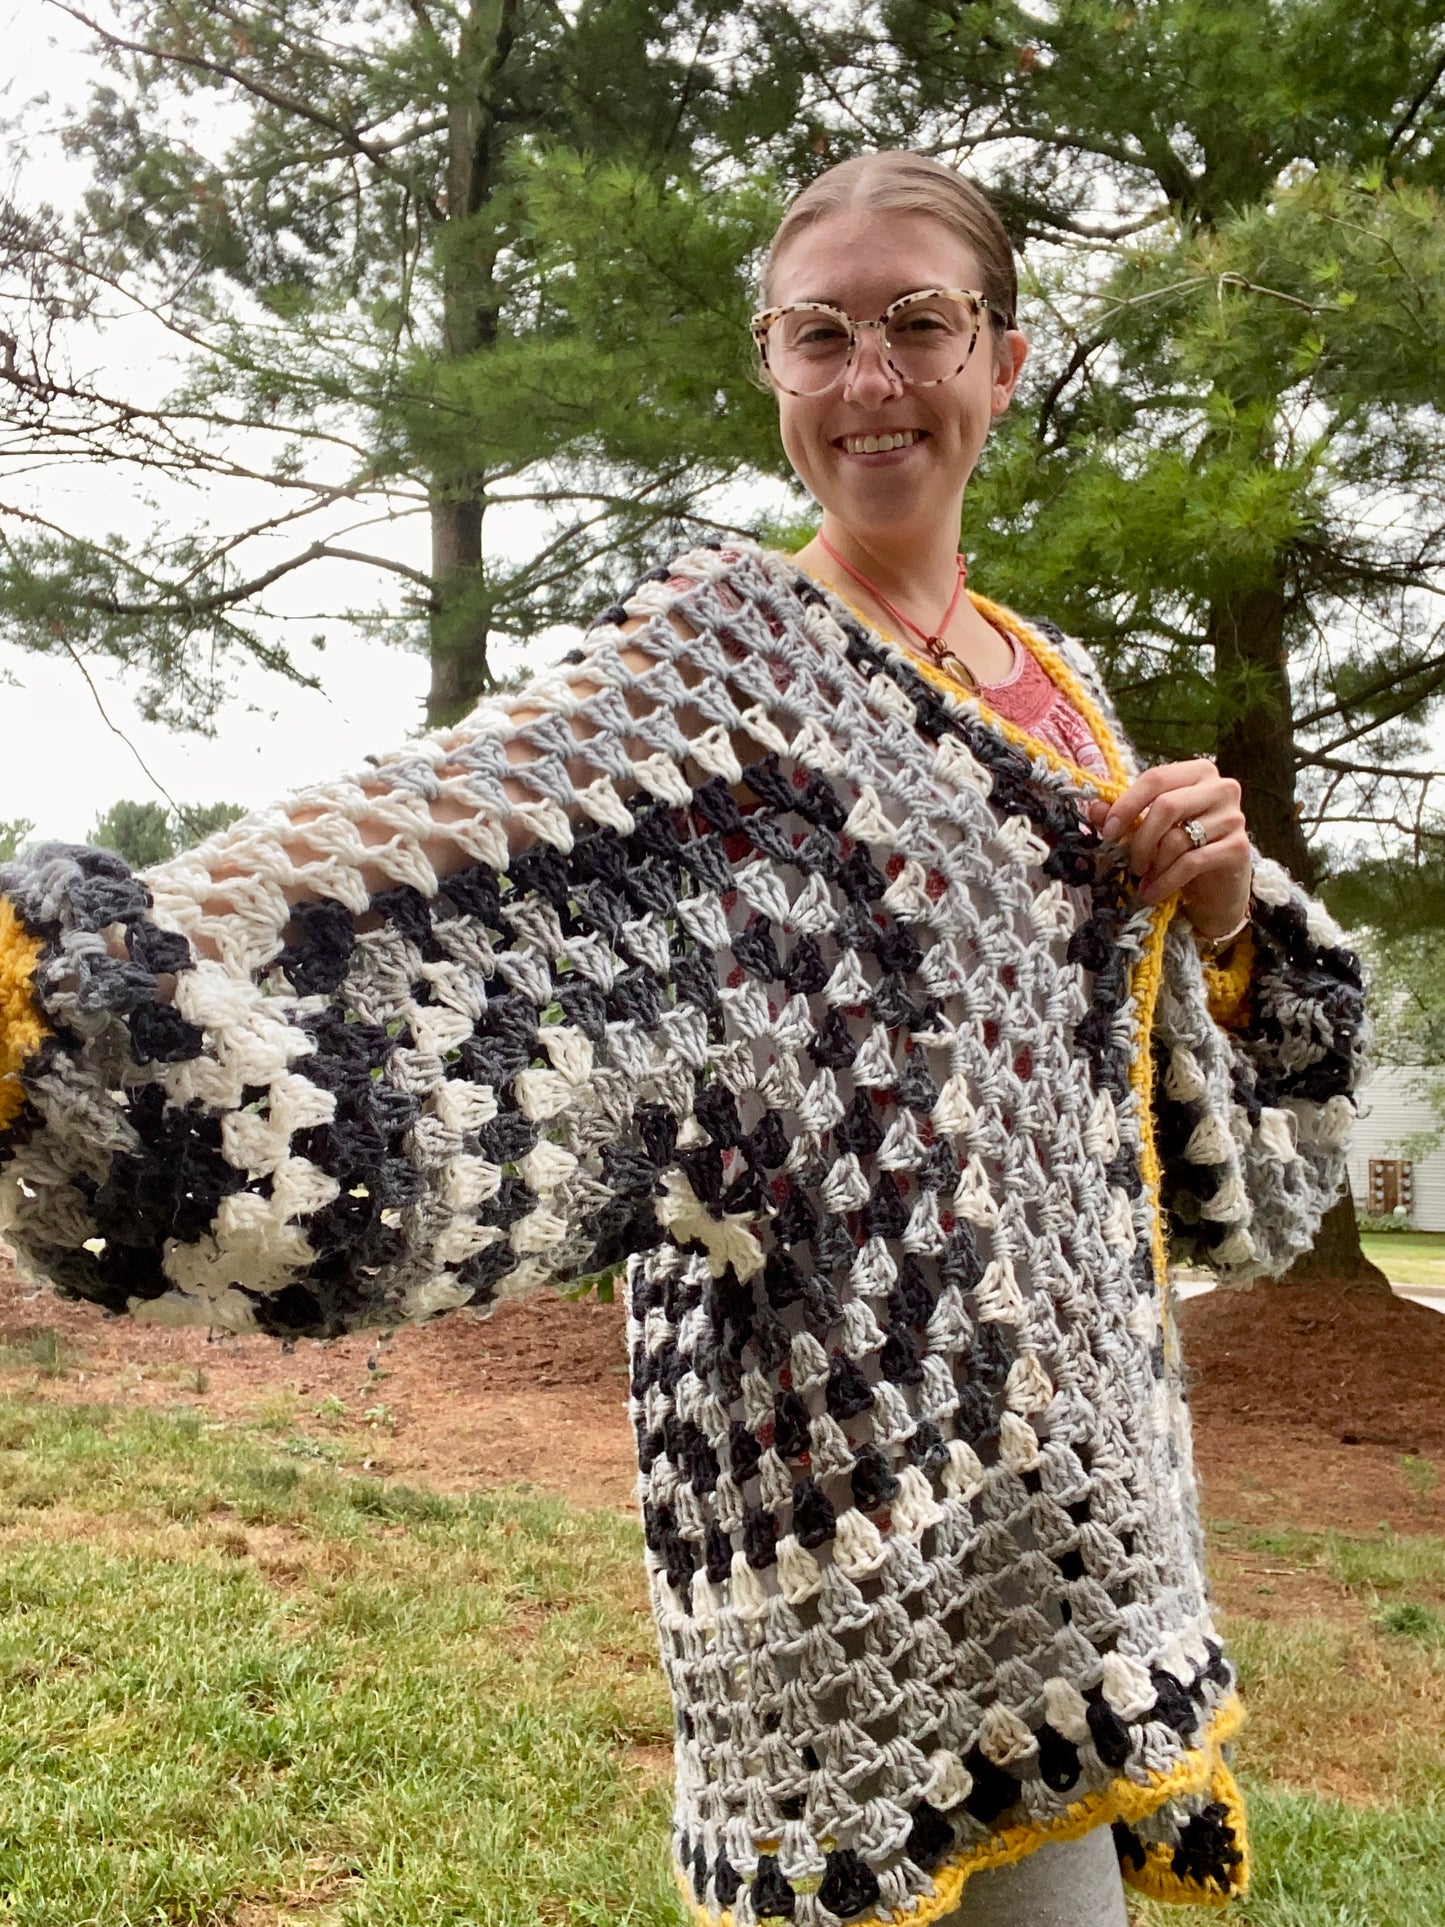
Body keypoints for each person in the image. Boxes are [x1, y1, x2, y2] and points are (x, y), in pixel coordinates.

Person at [0, 152, 1365, 1926]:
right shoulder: (702, 686)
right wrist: (72, 991)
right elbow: (418, 863)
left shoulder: (1062, 688)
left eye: (919, 325)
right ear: (772, 370)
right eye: (820, 336)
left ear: (1002, 361)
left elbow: (1220, 1171)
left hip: (1090, 1506)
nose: (871, 379)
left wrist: (1230, 920)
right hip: (835, 1502)